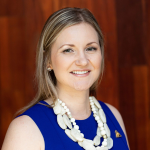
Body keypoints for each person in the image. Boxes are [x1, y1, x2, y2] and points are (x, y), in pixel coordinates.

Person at [2, 7, 130, 150]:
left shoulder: (112, 115)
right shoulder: (25, 130)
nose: (83, 61)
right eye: (68, 50)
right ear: (48, 61)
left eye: (91, 48)